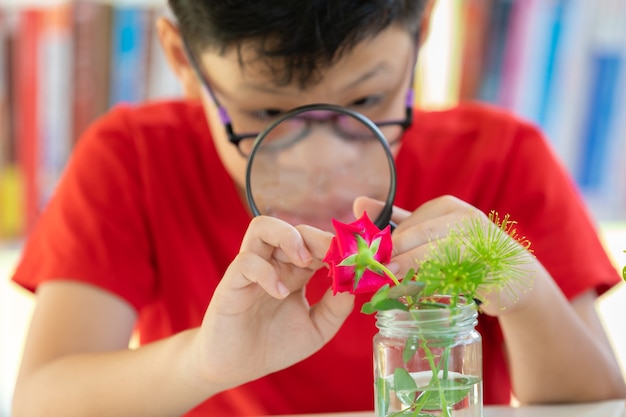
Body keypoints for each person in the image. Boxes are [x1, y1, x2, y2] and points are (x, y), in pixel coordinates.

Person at [10, 1, 626, 416]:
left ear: (425, 33)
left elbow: (597, 399)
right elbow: (41, 397)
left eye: (367, 97)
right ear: (181, 61)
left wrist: (520, 289)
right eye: (268, 114)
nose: (322, 160)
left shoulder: (504, 155)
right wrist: (202, 363)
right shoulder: (130, 158)